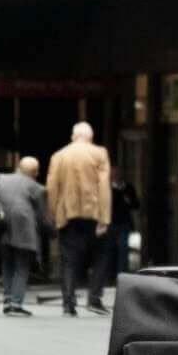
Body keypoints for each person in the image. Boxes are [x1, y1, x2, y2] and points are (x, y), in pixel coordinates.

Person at [46, 121, 112, 316]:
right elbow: (103, 186)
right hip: (93, 213)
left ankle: (68, 303)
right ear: (90, 137)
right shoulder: (99, 153)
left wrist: (53, 214)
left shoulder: (59, 155)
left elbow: (52, 188)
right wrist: (105, 218)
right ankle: (94, 299)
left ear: (73, 136)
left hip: (67, 214)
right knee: (101, 256)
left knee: (68, 260)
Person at [0, 158, 51, 316]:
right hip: (25, 233)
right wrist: (51, 232)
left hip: (2, 230)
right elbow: (43, 217)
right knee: (21, 267)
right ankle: (15, 304)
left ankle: (8, 300)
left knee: (7, 265)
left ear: (18, 167)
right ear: (36, 173)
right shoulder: (37, 188)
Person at [100, 165, 141, 282]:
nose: (116, 176)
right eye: (113, 173)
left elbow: (136, 205)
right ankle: (109, 276)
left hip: (124, 223)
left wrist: (129, 201)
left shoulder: (128, 188)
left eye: (118, 173)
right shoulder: (106, 189)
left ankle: (121, 276)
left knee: (123, 249)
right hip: (110, 223)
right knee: (110, 250)